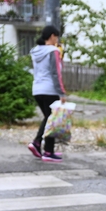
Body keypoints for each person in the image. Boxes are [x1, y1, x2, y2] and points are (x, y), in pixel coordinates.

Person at [28, 25, 66, 163]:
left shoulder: (35, 51)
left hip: (37, 89)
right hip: (50, 89)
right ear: (52, 36)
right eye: (56, 36)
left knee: (48, 118)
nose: (57, 39)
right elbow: (56, 73)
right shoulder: (53, 51)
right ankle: (47, 151)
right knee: (52, 120)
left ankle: (38, 144)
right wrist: (62, 92)